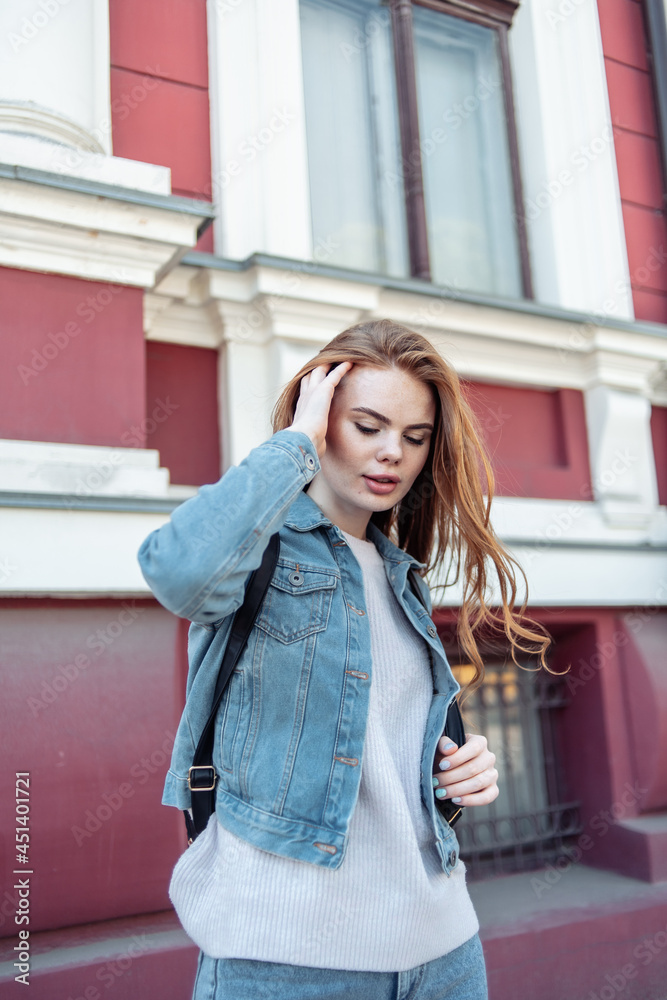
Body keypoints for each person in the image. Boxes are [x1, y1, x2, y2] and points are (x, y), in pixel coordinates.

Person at [137, 319, 549, 1000]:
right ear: (321, 417)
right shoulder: (258, 551)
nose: (392, 453)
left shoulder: (400, 577)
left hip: (442, 950)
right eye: (367, 425)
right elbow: (177, 569)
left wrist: (455, 775)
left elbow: (375, 760)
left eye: (414, 437)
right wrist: (293, 444)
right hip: (286, 958)